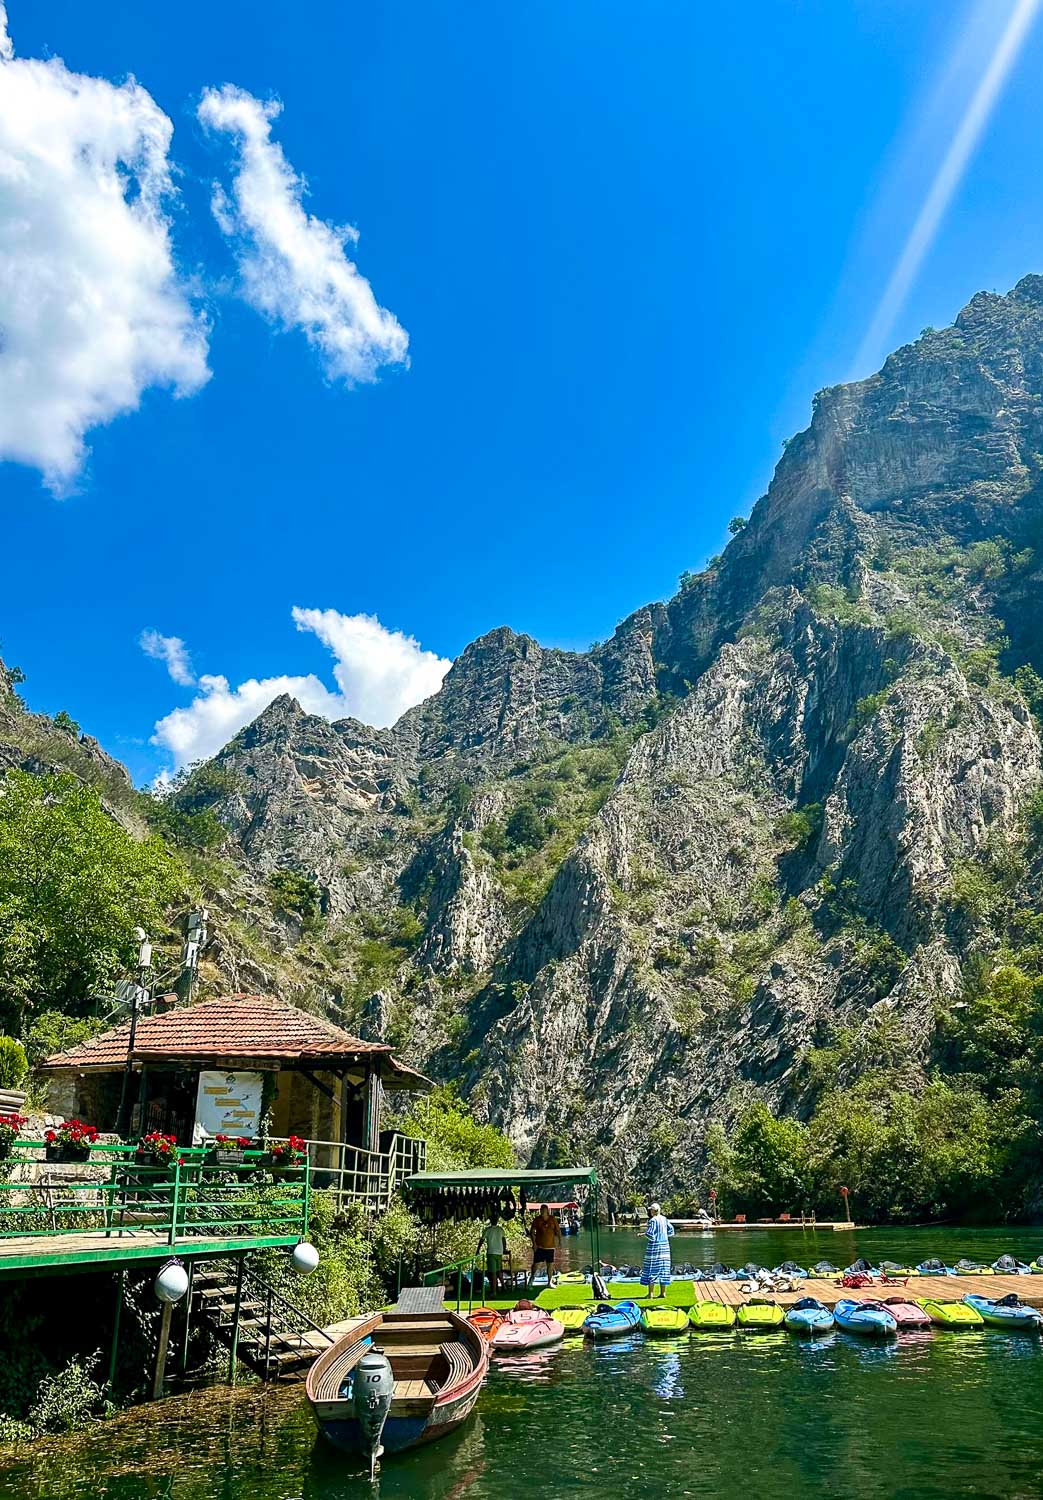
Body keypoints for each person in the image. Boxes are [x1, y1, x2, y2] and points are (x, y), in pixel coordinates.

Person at [641, 1201, 675, 1300]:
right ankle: (663, 1293)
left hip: (655, 1247)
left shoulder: (652, 1220)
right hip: (665, 1246)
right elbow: (671, 1230)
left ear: (653, 1211)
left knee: (652, 1268)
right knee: (663, 1269)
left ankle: (650, 1294)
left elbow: (650, 1234)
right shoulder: (664, 1219)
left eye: (650, 1210)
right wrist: (664, 1236)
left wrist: (644, 1234)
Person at [528, 1203, 562, 1284]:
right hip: (539, 1246)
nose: (542, 1212)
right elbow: (532, 1232)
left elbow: (558, 1231)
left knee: (550, 1265)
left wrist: (560, 1241)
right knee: (536, 1265)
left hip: (550, 1247)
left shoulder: (552, 1219)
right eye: (541, 1210)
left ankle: (549, 1282)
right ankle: (531, 1279)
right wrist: (534, 1244)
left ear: (547, 1211)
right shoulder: (537, 1220)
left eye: (544, 1210)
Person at [476, 1211, 508, 1295]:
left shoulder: (487, 1230)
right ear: (497, 1220)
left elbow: (481, 1241)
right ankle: (504, 1286)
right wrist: (504, 1249)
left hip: (491, 1252)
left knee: (493, 1272)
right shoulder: (500, 1230)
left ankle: (494, 1291)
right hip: (499, 1252)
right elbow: (504, 1240)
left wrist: (477, 1250)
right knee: (498, 1270)